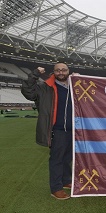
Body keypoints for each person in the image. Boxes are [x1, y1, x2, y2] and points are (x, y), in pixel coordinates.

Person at [21, 62, 78, 200]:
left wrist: (80, 80)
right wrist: (34, 75)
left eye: (64, 70)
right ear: (54, 72)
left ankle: (66, 180)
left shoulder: (76, 87)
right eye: (58, 70)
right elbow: (28, 92)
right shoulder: (45, 87)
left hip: (74, 130)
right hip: (56, 130)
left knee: (68, 158)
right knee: (57, 159)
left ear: (68, 71)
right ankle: (56, 188)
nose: (61, 72)